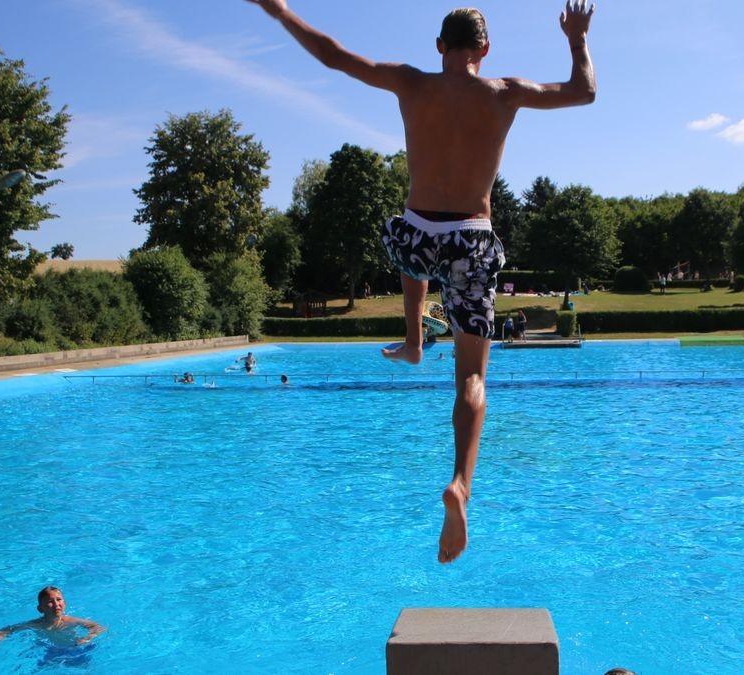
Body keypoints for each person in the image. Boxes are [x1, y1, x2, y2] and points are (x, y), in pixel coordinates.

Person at [247, 0, 596, 564]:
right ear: (484, 50)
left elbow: (334, 57)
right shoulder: (505, 90)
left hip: (419, 232)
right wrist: (577, 38)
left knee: (406, 238)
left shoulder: (411, 84)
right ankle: (460, 482)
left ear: (439, 47)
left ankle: (413, 338)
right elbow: (583, 91)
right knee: (472, 378)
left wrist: (281, 11)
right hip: (472, 237)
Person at [0, 586, 107, 651]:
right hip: (52, 650)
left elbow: (98, 627)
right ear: (40, 608)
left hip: (76, 648)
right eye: (50, 601)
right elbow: (7, 630)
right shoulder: (36, 624)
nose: (56, 604)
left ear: (65, 603)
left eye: (59, 600)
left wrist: (87, 638)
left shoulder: (71, 621)